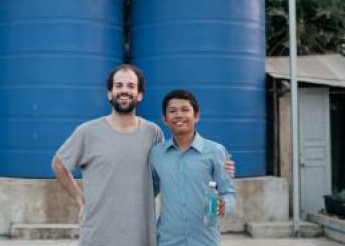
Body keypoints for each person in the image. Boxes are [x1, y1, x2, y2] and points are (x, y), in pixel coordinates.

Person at [51, 64, 234, 246]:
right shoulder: (87, 132)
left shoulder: (152, 133)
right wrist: (80, 200)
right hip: (98, 235)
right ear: (109, 93)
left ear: (139, 95)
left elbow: (169, 168)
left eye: (131, 86)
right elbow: (58, 164)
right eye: (119, 85)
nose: (124, 90)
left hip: (142, 236)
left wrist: (221, 167)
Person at [150, 89, 236, 246]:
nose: (179, 115)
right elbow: (149, 191)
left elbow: (228, 192)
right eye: (172, 111)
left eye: (185, 110)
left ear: (196, 116)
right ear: (165, 119)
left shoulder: (215, 151)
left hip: (205, 240)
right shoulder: (156, 154)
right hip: (167, 241)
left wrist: (225, 205)